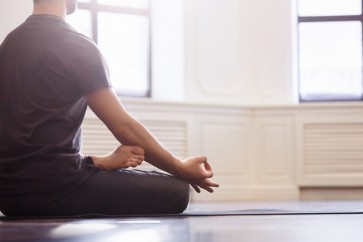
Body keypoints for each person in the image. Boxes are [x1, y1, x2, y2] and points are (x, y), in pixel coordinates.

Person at [0, 0, 219, 217]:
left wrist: (95, 162)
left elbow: (27, 143)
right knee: (178, 192)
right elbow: (124, 127)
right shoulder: (76, 45)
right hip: (57, 191)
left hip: (8, 197)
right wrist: (179, 166)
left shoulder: (9, 44)